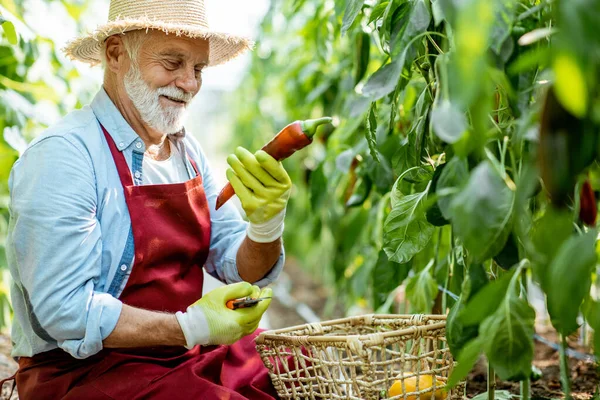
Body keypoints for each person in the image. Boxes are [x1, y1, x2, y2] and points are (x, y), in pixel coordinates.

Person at [3, 0, 292, 398]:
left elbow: (237, 267)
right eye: (172, 63)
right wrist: (191, 327)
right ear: (116, 53)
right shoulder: (64, 156)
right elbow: (66, 311)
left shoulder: (187, 155)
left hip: (176, 356)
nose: (189, 83)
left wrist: (266, 225)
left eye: (198, 69)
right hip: (87, 374)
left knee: (298, 369)